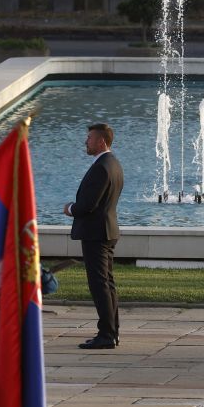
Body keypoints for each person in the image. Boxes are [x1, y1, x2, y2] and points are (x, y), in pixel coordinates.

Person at [63, 123, 124, 350]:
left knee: (100, 285)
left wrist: (70, 208)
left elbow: (88, 205)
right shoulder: (113, 164)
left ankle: (107, 334)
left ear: (101, 141)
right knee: (107, 284)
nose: (85, 142)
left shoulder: (101, 167)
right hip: (106, 230)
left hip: (96, 233)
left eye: (89, 138)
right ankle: (111, 332)